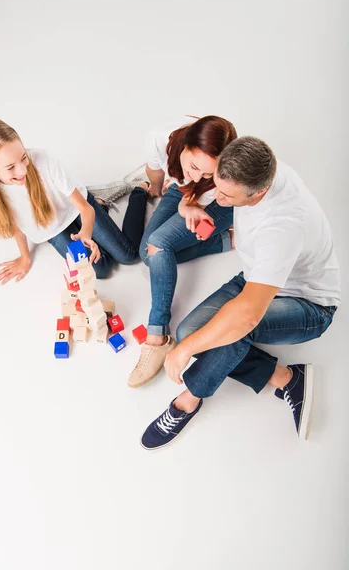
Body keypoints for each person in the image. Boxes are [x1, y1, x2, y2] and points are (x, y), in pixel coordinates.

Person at [140, 136, 341, 449]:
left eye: (225, 195)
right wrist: (190, 207)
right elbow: (197, 188)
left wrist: (181, 352)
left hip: (308, 304)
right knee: (191, 330)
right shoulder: (253, 165)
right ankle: (287, 379)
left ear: (259, 192)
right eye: (217, 186)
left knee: (231, 332)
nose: (217, 198)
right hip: (257, 278)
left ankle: (188, 400)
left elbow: (246, 317)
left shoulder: (283, 227)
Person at [127, 115, 237, 388]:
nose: (198, 174)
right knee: (147, 253)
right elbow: (156, 171)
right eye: (194, 166)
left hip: (217, 204)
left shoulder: (215, 175)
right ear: (185, 145)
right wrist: (158, 188)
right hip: (183, 192)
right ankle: (223, 242)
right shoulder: (159, 137)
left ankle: (157, 336)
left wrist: (189, 200)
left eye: (207, 172)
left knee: (159, 244)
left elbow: (195, 193)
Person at [0, 119, 149, 284]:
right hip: (54, 229)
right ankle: (102, 203)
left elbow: (85, 208)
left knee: (129, 256)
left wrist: (86, 234)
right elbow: (18, 224)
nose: (22, 170)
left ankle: (140, 190)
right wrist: (24, 257)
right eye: (10, 167)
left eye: (24, 157)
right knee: (102, 269)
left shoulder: (44, 161)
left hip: (77, 208)